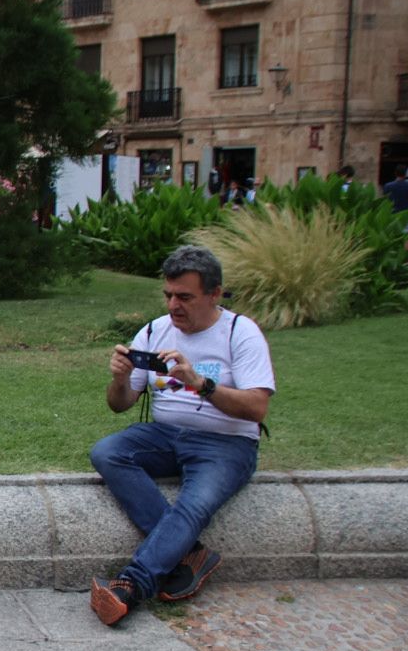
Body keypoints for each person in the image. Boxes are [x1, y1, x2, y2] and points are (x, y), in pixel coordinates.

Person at [89, 245, 276, 627]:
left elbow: (257, 407)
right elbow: (120, 405)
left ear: (215, 294)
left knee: (194, 505)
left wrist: (199, 382)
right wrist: (120, 378)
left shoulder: (241, 333)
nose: (174, 305)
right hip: (165, 434)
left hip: (226, 445)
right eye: (169, 295)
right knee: (108, 452)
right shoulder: (155, 330)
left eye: (185, 297)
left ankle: (130, 586)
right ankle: (191, 553)